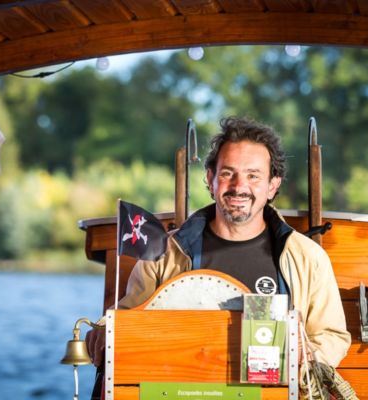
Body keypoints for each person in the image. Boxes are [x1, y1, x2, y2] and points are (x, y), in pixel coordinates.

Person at [86, 116, 350, 370]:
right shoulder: (165, 254)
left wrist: (305, 355)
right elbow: (130, 320)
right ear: (211, 179)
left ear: (272, 185)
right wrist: (104, 329)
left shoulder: (307, 258)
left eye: (253, 176)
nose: (239, 186)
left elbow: (332, 337)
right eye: (227, 173)